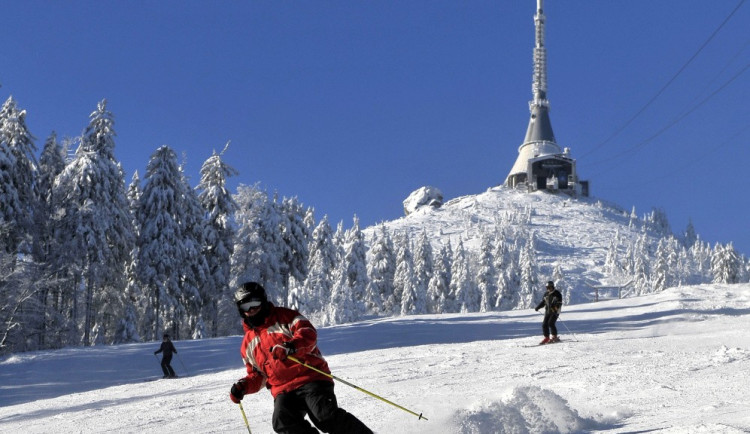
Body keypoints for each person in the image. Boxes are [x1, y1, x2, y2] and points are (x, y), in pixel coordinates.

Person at [229, 281, 372, 434]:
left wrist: (291, 347)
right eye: (245, 307)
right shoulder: (247, 344)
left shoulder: (285, 317)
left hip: (310, 377)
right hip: (282, 389)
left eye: (255, 304)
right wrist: (243, 386)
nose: (251, 310)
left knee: (324, 416)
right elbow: (258, 375)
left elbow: (308, 333)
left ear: (263, 301)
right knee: (282, 422)